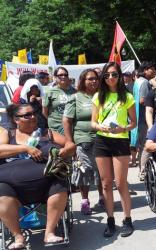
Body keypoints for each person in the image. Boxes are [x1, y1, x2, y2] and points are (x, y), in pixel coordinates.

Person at [0, 103, 76, 249]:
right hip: (14, 188)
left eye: (34, 113)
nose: (33, 117)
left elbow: (70, 145)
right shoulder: (8, 134)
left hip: (46, 184)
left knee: (60, 183)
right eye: (27, 115)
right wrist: (25, 148)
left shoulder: (47, 133)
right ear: (16, 120)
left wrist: (65, 151)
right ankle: (18, 236)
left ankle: (49, 233)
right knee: (1, 191)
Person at [91, 62, 136, 238]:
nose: (111, 78)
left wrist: (122, 129)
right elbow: (93, 123)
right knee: (106, 183)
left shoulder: (127, 97)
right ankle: (110, 220)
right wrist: (100, 127)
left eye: (114, 75)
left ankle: (127, 219)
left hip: (120, 142)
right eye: (107, 75)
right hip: (102, 141)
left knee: (121, 183)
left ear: (120, 76)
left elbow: (134, 122)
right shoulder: (98, 96)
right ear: (103, 77)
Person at [63, 69, 103, 215]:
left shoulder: (103, 96)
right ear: (83, 81)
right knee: (84, 171)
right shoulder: (75, 98)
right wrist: (69, 141)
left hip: (102, 139)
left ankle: (102, 197)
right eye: (90, 79)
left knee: (101, 171)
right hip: (83, 140)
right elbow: (67, 120)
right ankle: (85, 201)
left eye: (96, 78)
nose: (94, 81)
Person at [130, 61, 156, 180]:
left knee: (141, 146)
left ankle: (142, 170)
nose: (154, 71)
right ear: (145, 70)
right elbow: (142, 100)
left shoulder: (137, 81)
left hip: (137, 118)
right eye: (152, 69)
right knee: (146, 146)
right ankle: (143, 172)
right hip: (143, 119)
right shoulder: (145, 82)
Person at [42, 67, 76, 134]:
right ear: (55, 77)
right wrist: (53, 121)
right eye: (60, 75)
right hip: (56, 127)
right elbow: (44, 112)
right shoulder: (49, 92)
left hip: (71, 125)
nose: (63, 77)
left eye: (65, 75)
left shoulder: (74, 91)